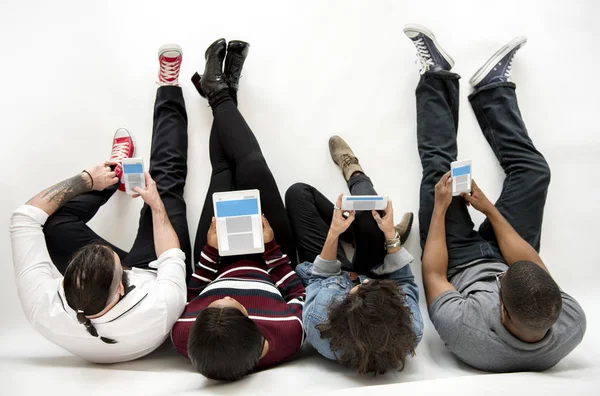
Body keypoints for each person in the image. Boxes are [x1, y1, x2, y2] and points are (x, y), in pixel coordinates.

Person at [404, 24, 586, 372]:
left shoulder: (466, 333)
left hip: (454, 261)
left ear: (501, 307)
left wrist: (441, 208)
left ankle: (436, 75)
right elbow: (530, 263)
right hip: (509, 255)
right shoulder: (571, 323)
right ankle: (493, 89)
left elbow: (434, 274)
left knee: (438, 172)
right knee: (535, 173)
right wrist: (488, 209)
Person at [9, 44, 192, 363]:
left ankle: (110, 174)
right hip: (153, 272)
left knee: (54, 225)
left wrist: (86, 180)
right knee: (165, 180)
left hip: (105, 293)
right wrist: (156, 204)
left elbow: (24, 217)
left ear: (64, 285)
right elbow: (171, 255)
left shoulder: (43, 306)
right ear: (123, 284)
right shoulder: (159, 304)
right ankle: (169, 89)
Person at [170, 38, 305, 382]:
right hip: (270, 258)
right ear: (252, 321)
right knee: (252, 167)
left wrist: (212, 252)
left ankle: (222, 92)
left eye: (215, 305)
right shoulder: (287, 335)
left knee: (225, 171)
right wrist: (271, 246)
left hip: (215, 258)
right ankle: (222, 92)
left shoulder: (185, 336)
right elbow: (297, 292)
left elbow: (190, 293)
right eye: (232, 304)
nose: (227, 295)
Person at [285, 136, 423, 375]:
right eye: (371, 285)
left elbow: (318, 278)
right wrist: (390, 236)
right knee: (372, 213)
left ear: (341, 313)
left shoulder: (320, 324)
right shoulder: (410, 328)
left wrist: (334, 233)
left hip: (332, 275)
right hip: (374, 264)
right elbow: (404, 281)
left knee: (297, 193)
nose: (364, 280)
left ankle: (350, 231)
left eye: (361, 287)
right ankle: (355, 172)